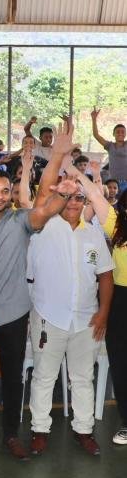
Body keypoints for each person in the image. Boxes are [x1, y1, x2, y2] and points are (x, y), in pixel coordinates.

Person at [0, 121, 81, 462]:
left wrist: (63, 193)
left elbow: (45, 210)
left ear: (10, 194)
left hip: (14, 315)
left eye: (4, 191)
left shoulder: (22, 221)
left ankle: (11, 435)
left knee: (13, 379)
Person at [26, 171, 114, 457]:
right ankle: (40, 430)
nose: (74, 202)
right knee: (44, 377)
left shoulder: (93, 234)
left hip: (86, 319)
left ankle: (84, 430)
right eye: (69, 197)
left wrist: (103, 313)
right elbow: (40, 201)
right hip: (48, 317)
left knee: (83, 377)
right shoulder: (42, 228)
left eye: (79, 198)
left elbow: (105, 276)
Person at [107, 189, 127, 444]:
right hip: (119, 301)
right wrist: (79, 173)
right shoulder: (116, 226)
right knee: (121, 364)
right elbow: (96, 196)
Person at [91, 108, 127, 192]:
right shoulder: (110, 146)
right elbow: (96, 135)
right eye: (118, 132)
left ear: (125, 134)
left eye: (123, 132)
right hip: (113, 182)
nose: (120, 133)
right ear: (113, 134)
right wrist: (94, 119)